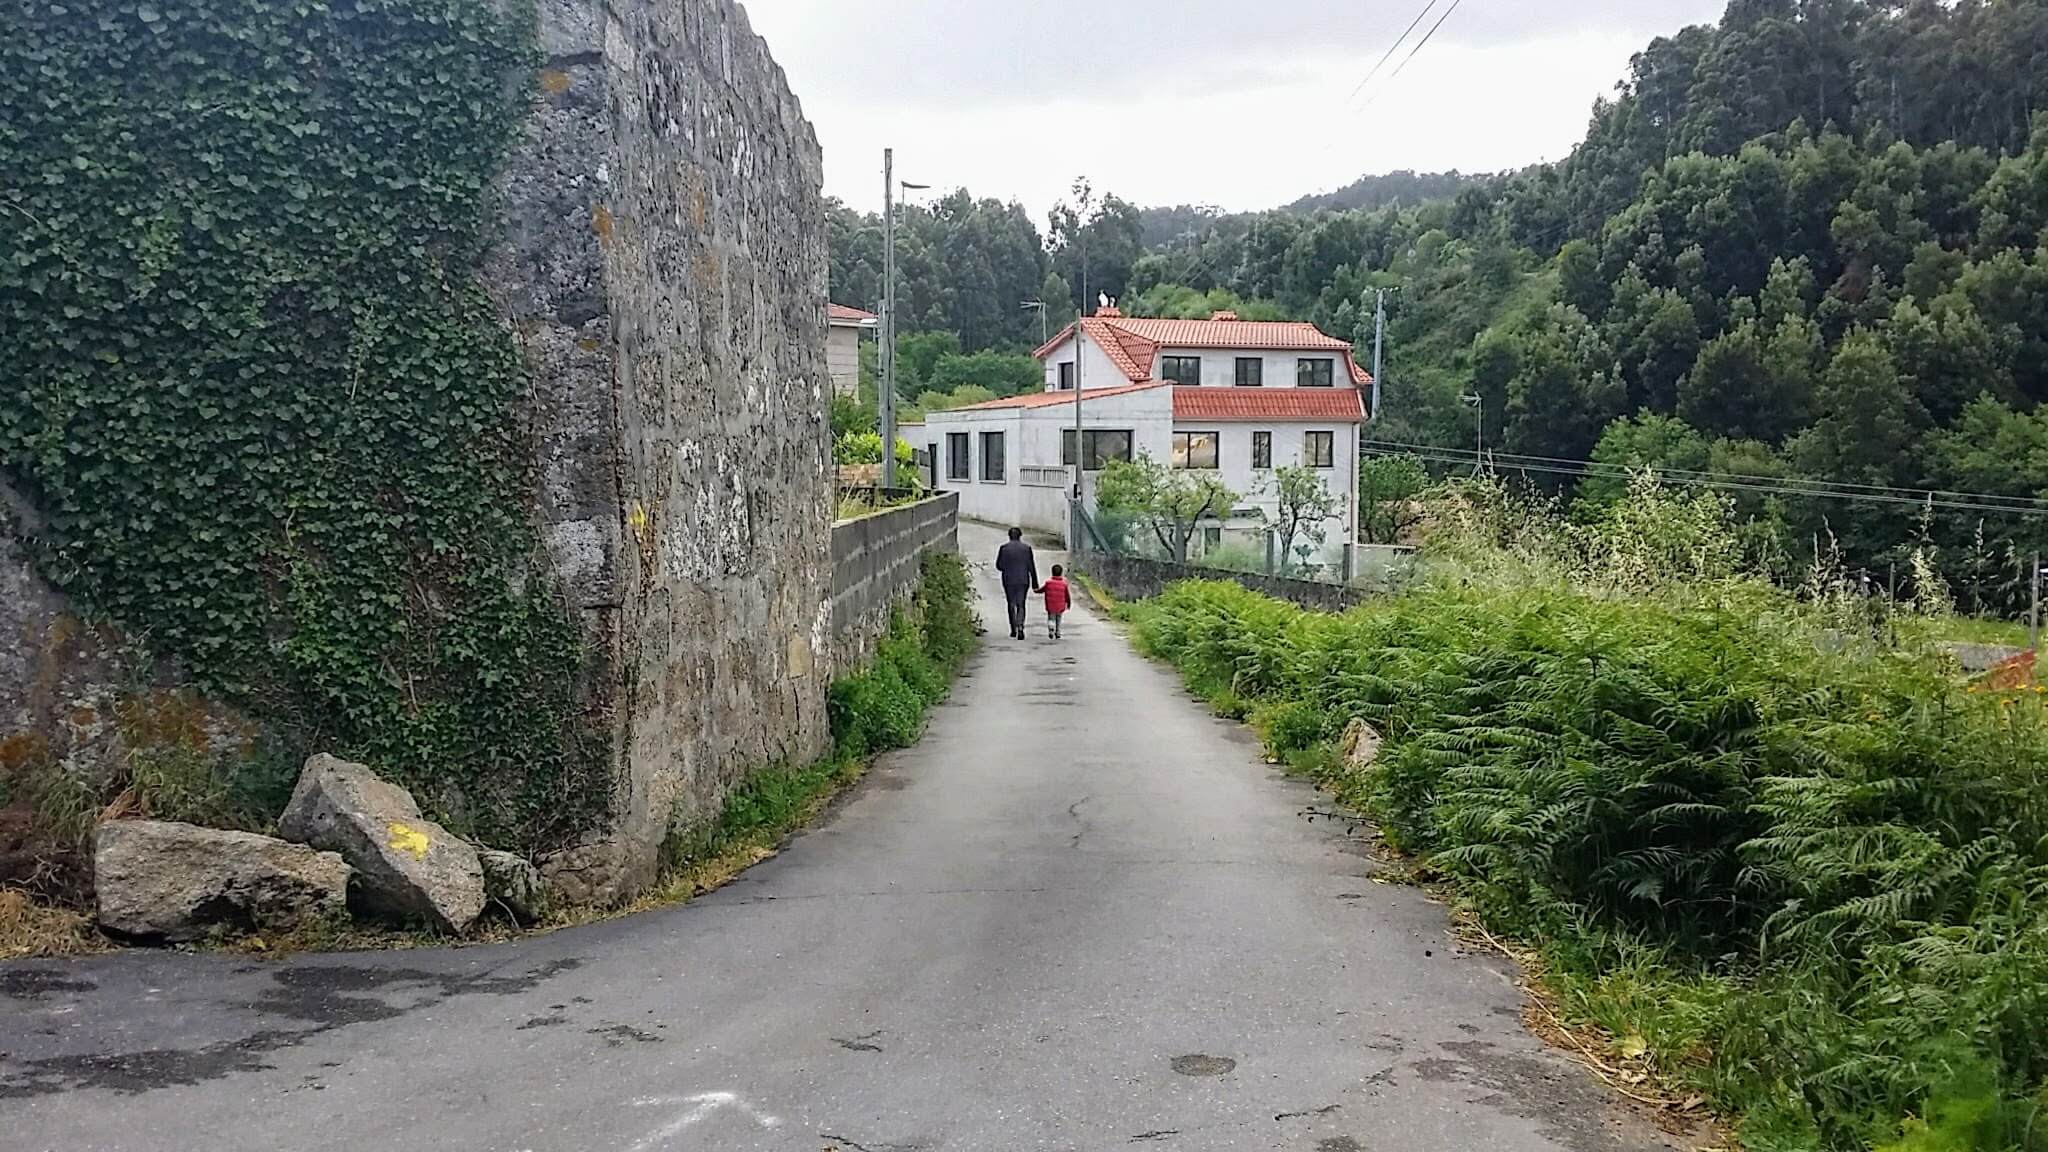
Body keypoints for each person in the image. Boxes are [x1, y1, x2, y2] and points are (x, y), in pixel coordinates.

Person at [994, 527, 1038, 640]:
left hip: (1008, 579)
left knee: (1011, 603)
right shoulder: (1026, 548)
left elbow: (999, 566)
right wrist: (1035, 582)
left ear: (1009, 536)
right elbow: (1031, 566)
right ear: (1020, 536)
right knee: (1021, 604)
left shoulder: (1004, 548)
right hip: (1023, 579)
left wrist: (1007, 568)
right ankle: (1020, 626)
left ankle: (1013, 629)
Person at [1041, 564, 1071, 640]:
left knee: (1051, 618)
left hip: (1050, 605)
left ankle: (1051, 629)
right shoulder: (1064, 584)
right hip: (1060, 605)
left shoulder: (1048, 583)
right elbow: (1067, 595)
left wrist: (1036, 590)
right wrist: (1068, 603)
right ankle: (1058, 632)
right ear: (1061, 573)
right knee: (1058, 619)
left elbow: (1042, 590)